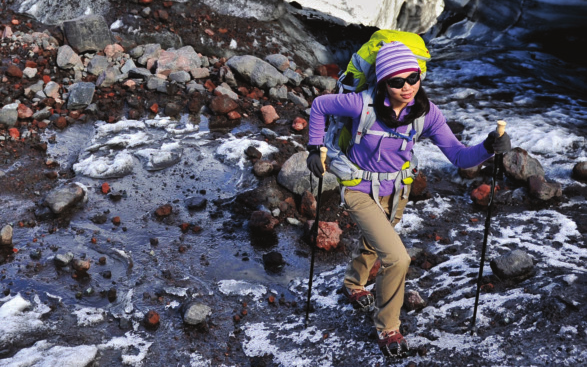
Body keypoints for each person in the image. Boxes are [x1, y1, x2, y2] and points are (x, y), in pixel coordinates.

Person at [305, 41, 511, 358]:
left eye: (412, 78)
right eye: (397, 81)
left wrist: (488, 146)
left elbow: (458, 156)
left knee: (377, 242)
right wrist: (314, 147)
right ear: (383, 82)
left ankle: (353, 283)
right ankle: (388, 328)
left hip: (397, 190)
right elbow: (319, 106)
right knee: (398, 258)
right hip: (359, 188)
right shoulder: (361, 105)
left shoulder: (425, 114)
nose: (407, 87)